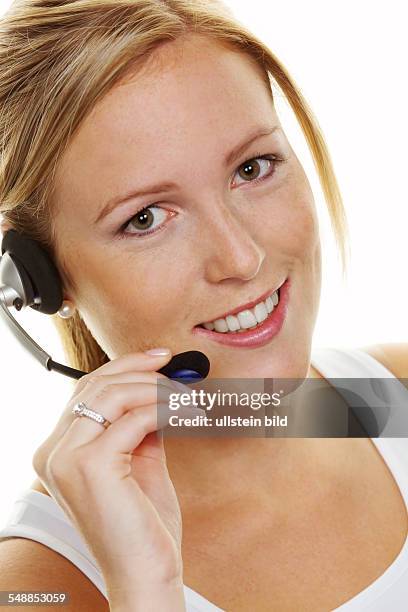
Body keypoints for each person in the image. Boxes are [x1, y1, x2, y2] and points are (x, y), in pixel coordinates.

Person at [0, 1, 407, 610]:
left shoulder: (396, 396)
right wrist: (147, 591)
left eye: (253, 167)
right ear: (44, 279)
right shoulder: (34, 587)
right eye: (145, 218)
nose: (240, 258)